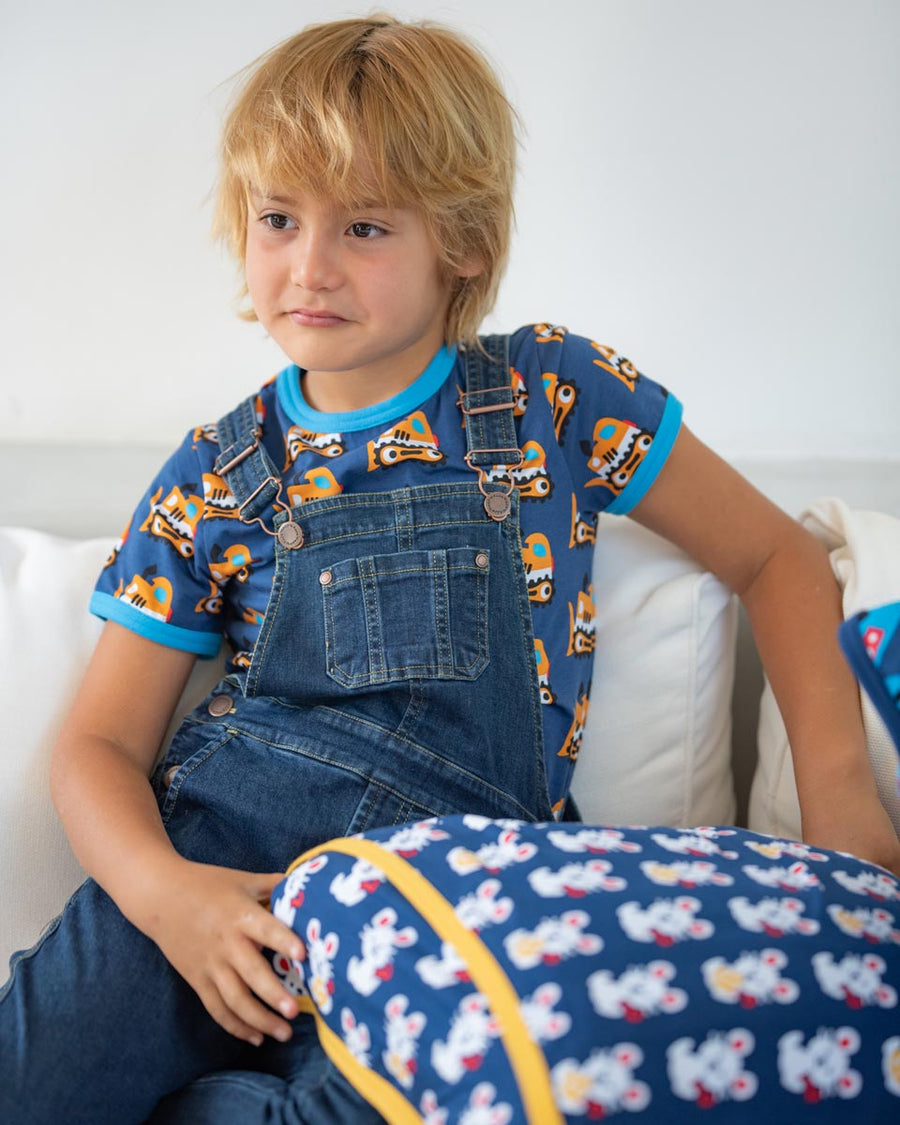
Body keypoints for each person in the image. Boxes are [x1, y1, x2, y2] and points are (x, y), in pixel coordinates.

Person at [2, 13, 898, 1123]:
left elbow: (778, 560)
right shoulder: (215, 475)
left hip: (459, 900)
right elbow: (96, 744)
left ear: (462, 241)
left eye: (365, 226)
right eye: (278, 219)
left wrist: (847, 819)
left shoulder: (551, 397)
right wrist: (162, 893)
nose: (309, 266)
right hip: (216, 878)